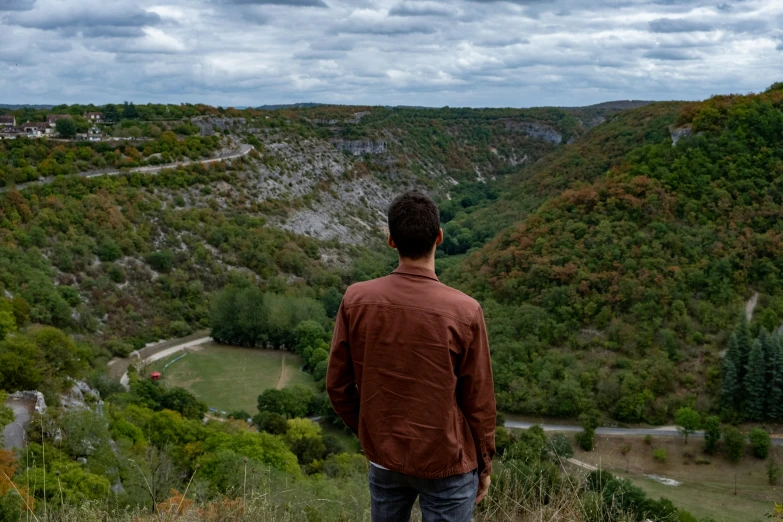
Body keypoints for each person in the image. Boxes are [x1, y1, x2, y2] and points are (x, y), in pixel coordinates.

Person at [327, 190, 496, 522]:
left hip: (385, 459)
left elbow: (338, 387)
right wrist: (485, 465)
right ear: (439, 237)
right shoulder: (465, 311)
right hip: (447, 463)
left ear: (391, 241)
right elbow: (479, 401)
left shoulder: (356, 300)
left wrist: (372, 435)